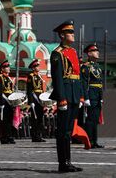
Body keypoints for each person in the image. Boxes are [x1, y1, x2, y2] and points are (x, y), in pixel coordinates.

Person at [49, 20, 83, 173]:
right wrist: (61, 98)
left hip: (74, 94)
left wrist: (81, 95)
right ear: (62, 35)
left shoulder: (73, 52)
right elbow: (57, 78)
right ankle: (63, 163)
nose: (72, 35)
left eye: (73, 32)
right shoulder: (57, 53)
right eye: (70, 32)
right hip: (66, 95)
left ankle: (68, 161)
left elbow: (78, 76)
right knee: (63, 131)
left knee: (68, 131)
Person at [81, 43, 104, 149]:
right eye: (95, 51)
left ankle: (95, 141)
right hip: (91, 95)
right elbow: (84, 83)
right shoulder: (86, 67)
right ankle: (89, 140)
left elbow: (100, 83)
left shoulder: (97, 66)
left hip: (97, 95)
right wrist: (85, 98)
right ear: (89, 54)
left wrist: (101, 97)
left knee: (95, 120)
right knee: (90, 120)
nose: (97, 52)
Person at [0, 60, 15, 144]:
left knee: (10, 119)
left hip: (10, 102)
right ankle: (3, 137)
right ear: (2, 69)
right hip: (4, 101)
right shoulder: (0, 78)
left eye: (8, 67)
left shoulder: (8, 78)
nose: (9, 68)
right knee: (4, 120)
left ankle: (9, 136)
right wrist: (0, 103)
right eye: (7, 67)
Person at [26, 59, 46, 142]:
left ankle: (39, 135)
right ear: (33, 68)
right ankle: (35, 136)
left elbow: (41, 89)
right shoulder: (31, 76)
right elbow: (29, 90)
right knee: (35, 119)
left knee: (40, 118)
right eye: (37, 66)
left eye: (38, 65)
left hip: (40, 99)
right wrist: (31, 102)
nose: (39, 67)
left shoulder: (39, 76)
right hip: (34, 99)